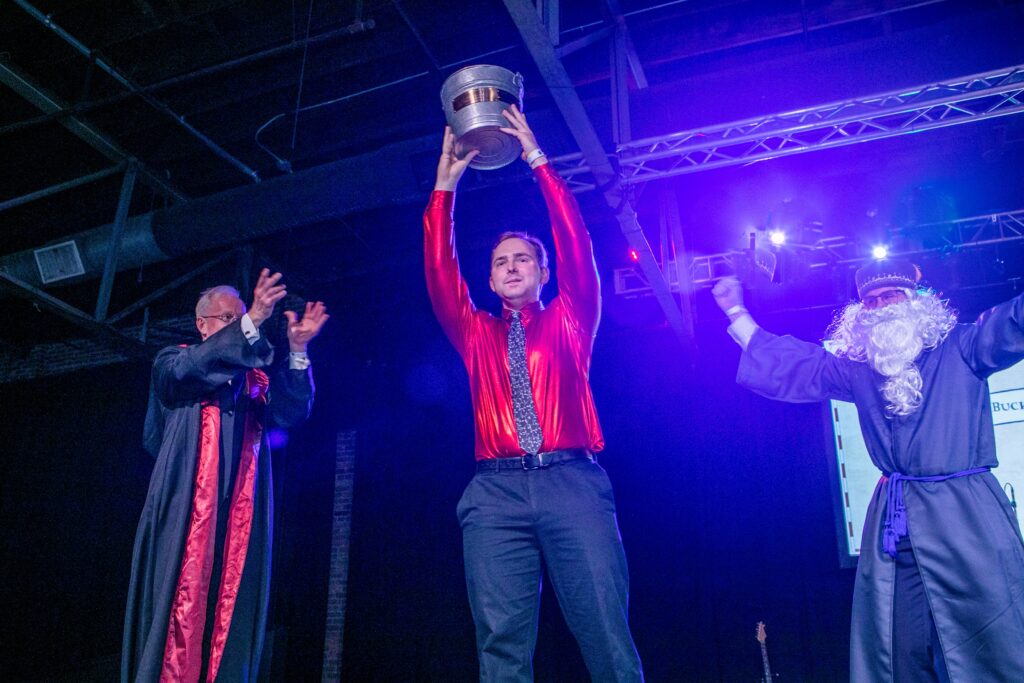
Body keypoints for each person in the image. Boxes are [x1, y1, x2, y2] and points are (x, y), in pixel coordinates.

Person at [713, 260, 1024, 682]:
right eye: (871, 302)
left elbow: (1013, 322)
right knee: (897, 647)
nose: (881, 308)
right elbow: (799, 364)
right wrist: (737, 313)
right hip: (897, 525)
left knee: (988, 639)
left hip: (964, 516)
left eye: (890, 297)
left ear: (916, 303)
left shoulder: (963, 347)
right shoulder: (859, 368)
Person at [423, 105, 644, 682]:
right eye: (501, 262)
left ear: (543, 273)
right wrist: (445, 187)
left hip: (572, 481)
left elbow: (576, 247)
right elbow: (442, 273)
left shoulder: (571, 318)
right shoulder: (476, 332)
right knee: (500, 644)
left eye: (524, 258)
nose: (512, 266)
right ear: (491, 280)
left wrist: (538, 161)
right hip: (494, 492)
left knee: (603, 627)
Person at [122, 269, 328, 683]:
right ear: (202, 325)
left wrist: (297, 349)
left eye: (243, 320)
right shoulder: (174, 361)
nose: (242, 327)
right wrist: (252, 317)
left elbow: (291, 412)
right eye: (229, 320)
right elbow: (189, 374)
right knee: (174, 610)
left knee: (230, 613)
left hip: (240, 518)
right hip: (183, 512)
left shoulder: (258, 381)